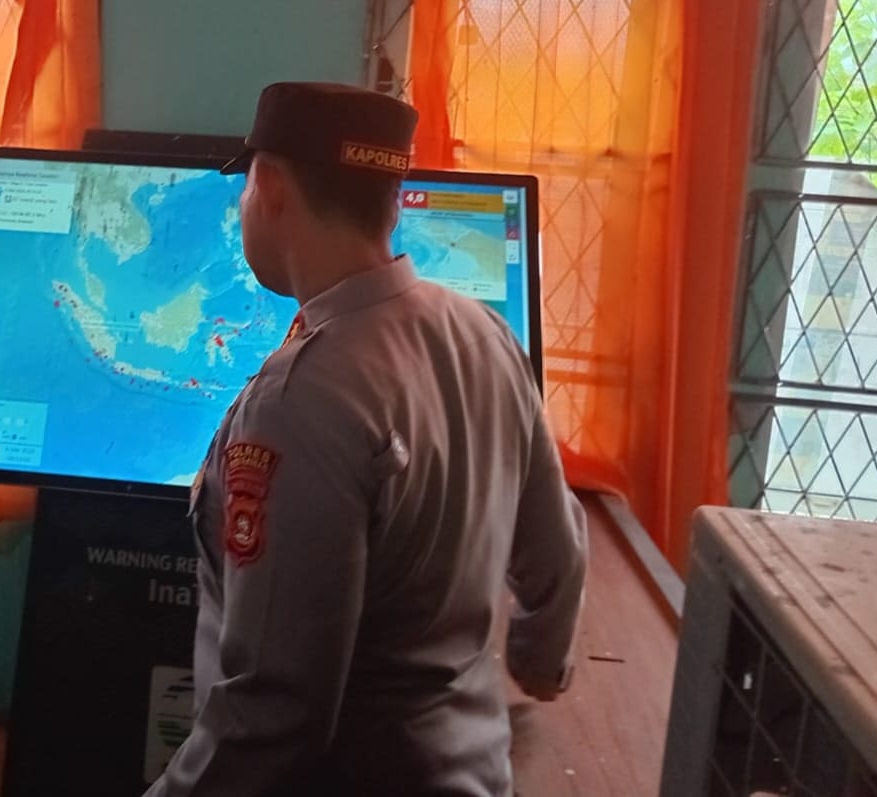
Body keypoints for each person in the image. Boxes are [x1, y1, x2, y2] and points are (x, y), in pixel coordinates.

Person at [145, 82, 588, 797]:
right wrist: (541, 661)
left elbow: (272, 717)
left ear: (273, 185)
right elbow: (557, 555)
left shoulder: (299, 403)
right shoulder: (484, 334)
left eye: (247, 183)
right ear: (393, 202)